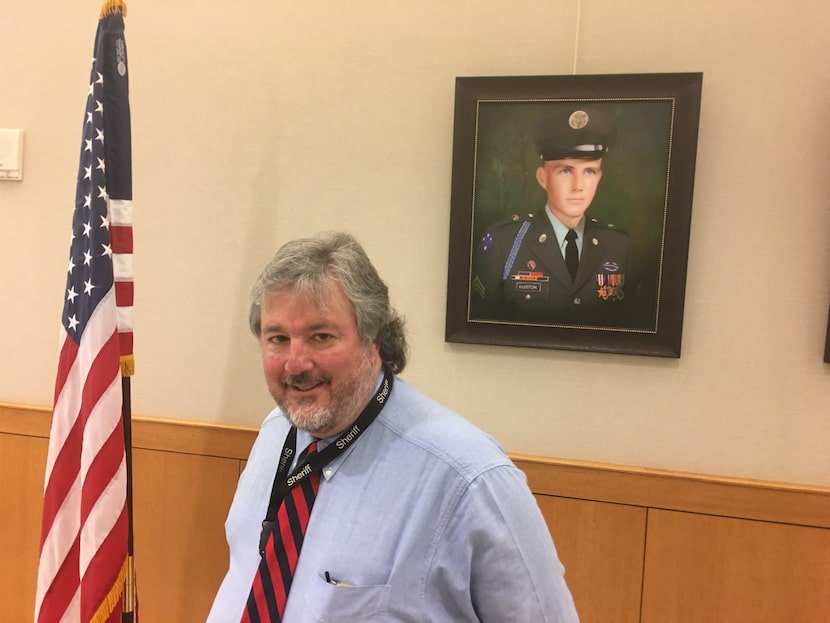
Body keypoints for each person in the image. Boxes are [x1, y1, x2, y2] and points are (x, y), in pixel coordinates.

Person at [207, 231, 579, 622]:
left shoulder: (470, 477)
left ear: (375, 340)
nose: (295, 364)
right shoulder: (275, 432)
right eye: (278, 338)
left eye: (321, 336)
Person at [471, 107, 634, 326]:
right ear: (542, 178)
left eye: (589, 172)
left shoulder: (619, 246)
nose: (578, 186)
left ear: (599, 177)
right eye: (565, 171)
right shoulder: (505, 242)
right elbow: (480, 325)